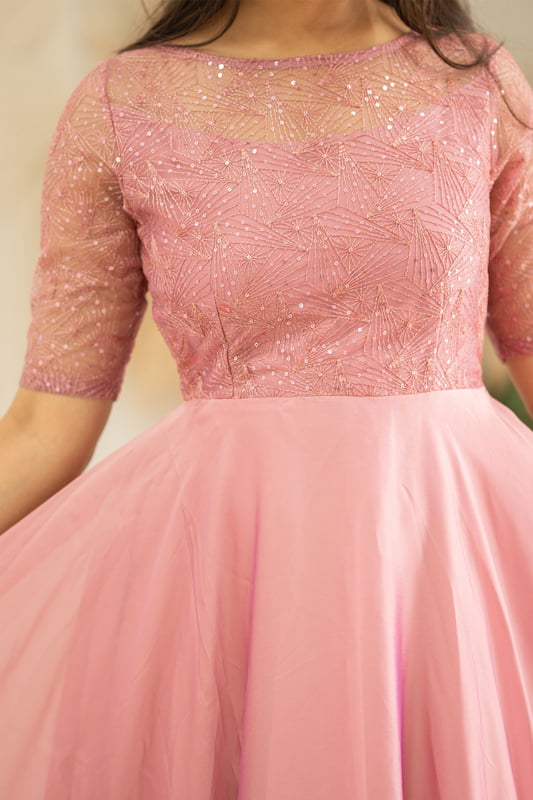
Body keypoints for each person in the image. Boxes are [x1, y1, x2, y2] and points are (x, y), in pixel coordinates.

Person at [1, 0, 532, 796]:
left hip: (444, 565)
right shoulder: (120, 104)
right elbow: (46, 423)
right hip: (226, 588)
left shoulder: (476, 82)